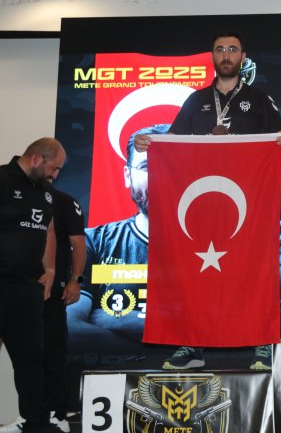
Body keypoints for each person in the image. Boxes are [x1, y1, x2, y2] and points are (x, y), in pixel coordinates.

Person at [135, 31, 281, 371]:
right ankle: (191, 346)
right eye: (220, 49)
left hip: (248, 203)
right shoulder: (195, 101)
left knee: (254, 270)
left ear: (243, 57)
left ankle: (261, 343)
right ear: (212, 56)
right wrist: (150, 144)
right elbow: (173, 143)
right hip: (202, 204)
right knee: (195, 272)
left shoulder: (259, 99)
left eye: (232, 49)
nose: (226, 55)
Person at [68, 125, 170, 350]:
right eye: (146, 167)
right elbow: (71, 329)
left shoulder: (216, 246)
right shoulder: (93, 242)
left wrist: (118, 319)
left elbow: (218, 327)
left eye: (168, 167)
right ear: (127, 175)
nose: (158, 177)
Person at [0, 138, 66, 432]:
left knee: (31, 362)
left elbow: (49, 230)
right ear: (37, 158)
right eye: (54, 168)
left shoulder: (47, 193)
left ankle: (35, 424)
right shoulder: (2, 179)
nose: (55, 175)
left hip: (27, 290)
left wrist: (49, 269)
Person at [42, 188, 85, 432]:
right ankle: (32, 415)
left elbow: (78, 244)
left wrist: (75, 280)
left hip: (53, 290)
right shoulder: (13, 196)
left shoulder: (64, 201)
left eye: (57, 170)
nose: (53, 172)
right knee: (26, 358)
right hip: (15, 289)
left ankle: (57, 415)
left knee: (54, 353)